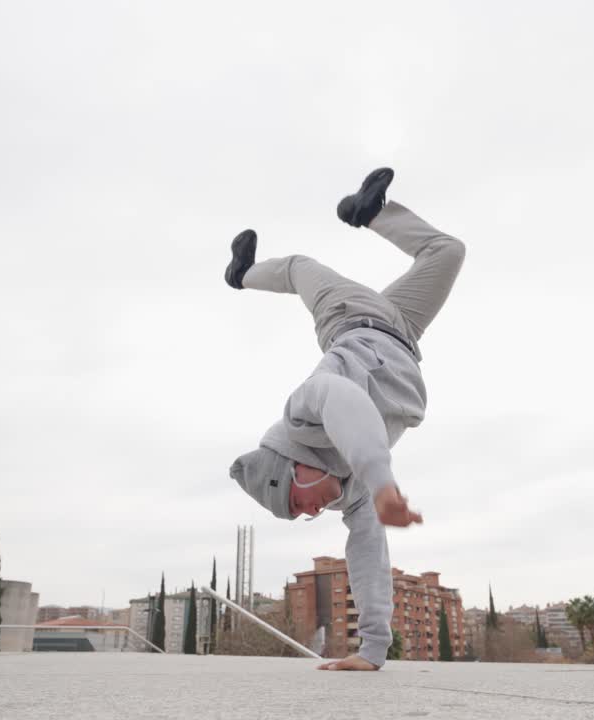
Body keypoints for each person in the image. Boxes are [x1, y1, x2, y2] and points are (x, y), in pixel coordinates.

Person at [225, 168, 466, 670]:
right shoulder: (351, 493)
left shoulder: (301, 418)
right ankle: (371, 211)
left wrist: (383, 483)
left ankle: (241, 275)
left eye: (299, 503)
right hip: (402, 330)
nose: (313, 513)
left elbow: (346, 402)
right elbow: (368, 556)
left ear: (294, 467)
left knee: (297, 266)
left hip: (349, 316)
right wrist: (373, 650)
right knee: (448, 251)